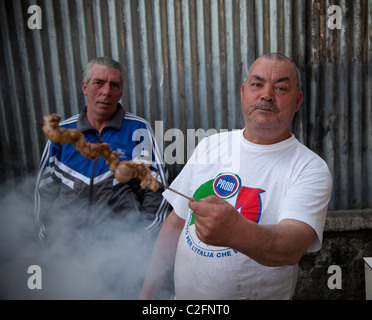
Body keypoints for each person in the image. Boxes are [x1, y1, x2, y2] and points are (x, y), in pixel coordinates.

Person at [140, 53, 333, 300]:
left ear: (298, 100)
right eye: (257, 84)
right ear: (243, 92)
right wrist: (148, 291)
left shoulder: (309, 168)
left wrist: (235, 231)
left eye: (281, 88)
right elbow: (176, 223)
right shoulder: (209, 146)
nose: (267, 95)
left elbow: (292, 247)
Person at [34, 57, 170, 238]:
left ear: (120, 92)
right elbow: (45, 188)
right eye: (98, 83)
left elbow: (157, 188)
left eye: (114, 85)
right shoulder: (63, 133)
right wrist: (48, 234)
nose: (106, 92)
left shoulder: (138, 129)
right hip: (67, 242)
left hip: (120, 243)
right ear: (85, 88)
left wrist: (142, 238)